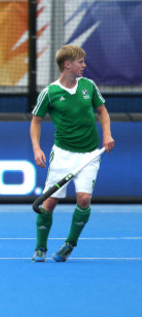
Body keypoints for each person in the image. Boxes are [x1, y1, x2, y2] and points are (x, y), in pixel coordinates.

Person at [30, 45, 114, 262]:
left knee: (84, 199)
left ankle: (69, 244)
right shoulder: (50, 92)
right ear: (67, 65)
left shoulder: (89, 86)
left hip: (89, 155)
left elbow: (102, 111)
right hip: (62, 155)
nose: (84, 66)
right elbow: (36, 121)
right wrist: (37, 148)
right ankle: (40, 248)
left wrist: (107, 134)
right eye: (80, 62)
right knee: (49, 203)